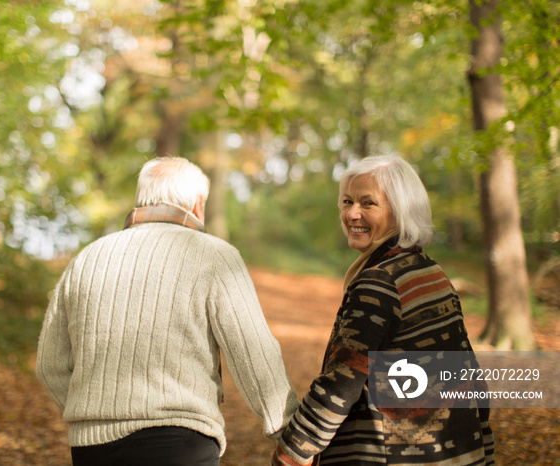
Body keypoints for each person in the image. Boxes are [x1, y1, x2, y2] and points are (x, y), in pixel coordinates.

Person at [36, 156, 298, 466]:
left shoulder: (86, 260)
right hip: (179, 443)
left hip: (93, 448)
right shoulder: (214, 255)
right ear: (197, 205)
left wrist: (95, 410)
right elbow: (254, 354)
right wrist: (293, 434)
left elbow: (48, 365)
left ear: (141, 198)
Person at [272, 154, 495, 465]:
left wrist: (292, 452)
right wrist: (484, 446)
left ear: (400, 212)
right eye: (347, 201)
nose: (352, 214)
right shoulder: (431, 272)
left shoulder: (380, 282)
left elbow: (340, 384)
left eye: (368, 203)